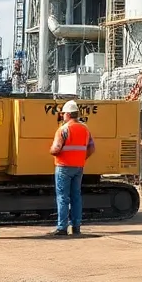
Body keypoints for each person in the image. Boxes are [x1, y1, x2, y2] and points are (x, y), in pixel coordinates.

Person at [48, 100, 94, 236]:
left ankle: (62, 227)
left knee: (63, 197)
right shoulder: (85, 129)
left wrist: (51, 150)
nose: (62, 116)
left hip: (63, 167)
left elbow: (56, 149)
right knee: (76, 196)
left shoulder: (64, 129)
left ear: (67, 114)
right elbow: (92, 148)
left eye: (63, 114)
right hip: (78, 167)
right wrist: (81, 158)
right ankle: (76, 226)